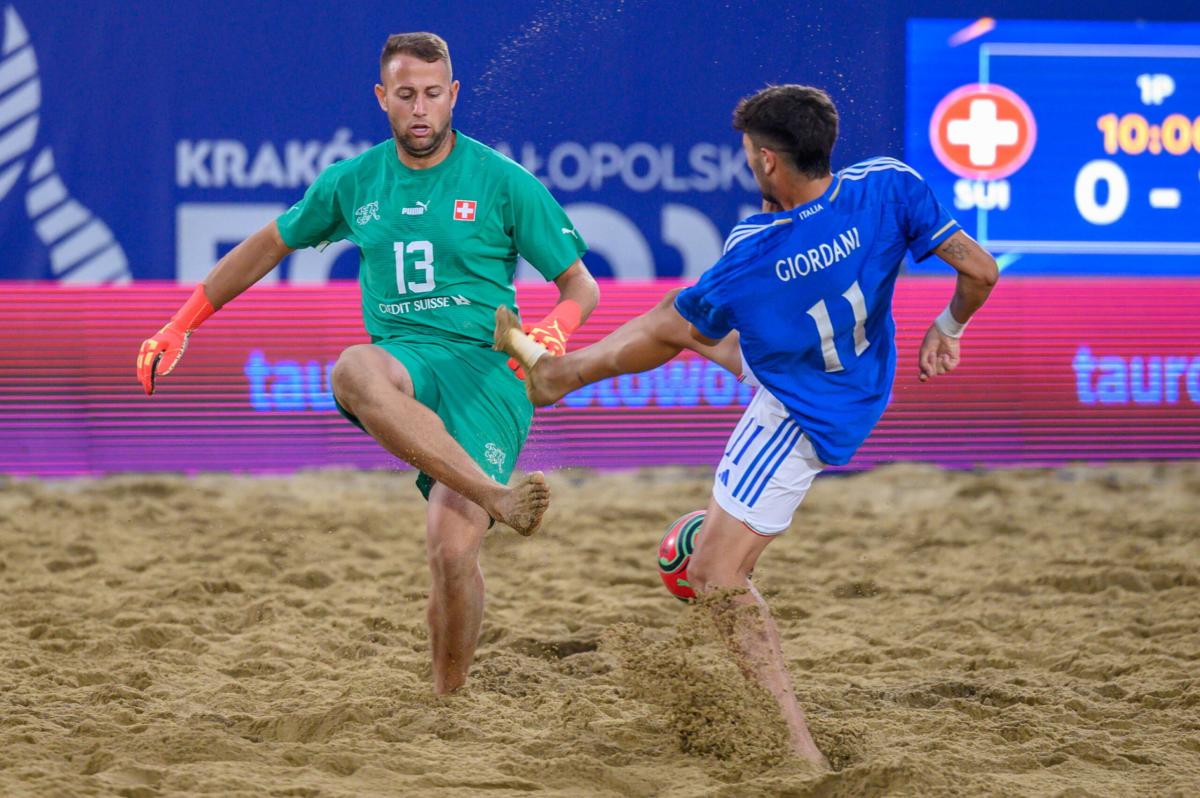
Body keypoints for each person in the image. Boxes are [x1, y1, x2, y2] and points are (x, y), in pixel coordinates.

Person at [497, 84, 998, 766]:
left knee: (713, 574)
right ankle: (561, 375)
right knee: (687, 319)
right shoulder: (889, 184)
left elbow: (677, 327)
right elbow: (981, 271)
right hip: (859, 375)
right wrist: (947, 329)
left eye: (747, 155)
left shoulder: (754, 250)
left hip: (802, 413)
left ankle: (801, 752)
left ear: (768, 161)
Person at [137, 32, 599, 694]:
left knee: (450, 552)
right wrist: (181, 324)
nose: (420, 109)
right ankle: (494, 496)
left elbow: (581, 287)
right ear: (382, 98)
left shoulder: (503, 182)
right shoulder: (353, 182)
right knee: (353, 368)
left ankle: (449, 696)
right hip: (406, 361)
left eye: (434, 95)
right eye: (405, 95)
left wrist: (555, 328)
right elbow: (267, 245)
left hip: (488, 374)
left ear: (454, 95)